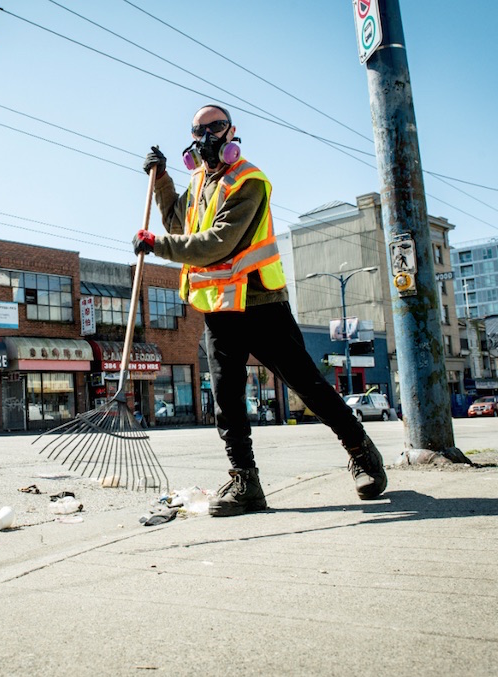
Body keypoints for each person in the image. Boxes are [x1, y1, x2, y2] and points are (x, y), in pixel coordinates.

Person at [135, 103, 387, 517]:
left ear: (231, 132)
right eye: (198, 130)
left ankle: (361, 451)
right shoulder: (197, 181)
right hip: (219, 307)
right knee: (226, 398)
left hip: (261, 304)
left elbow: (219, 242)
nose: (206, 137)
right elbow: (178, 226)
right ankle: (246, 483)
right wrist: (162, 181)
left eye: (214, 128)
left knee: (307, 385)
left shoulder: (250, 181)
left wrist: (157, 247)